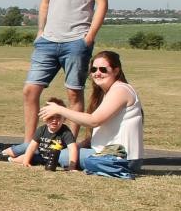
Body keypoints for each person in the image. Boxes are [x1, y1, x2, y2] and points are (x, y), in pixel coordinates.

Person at [22, 0, 110, 143]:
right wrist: (39, 32)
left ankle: (66, 146)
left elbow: (102, 3)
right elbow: (45, 2)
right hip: (47, 40)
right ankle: (29, 145)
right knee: (30, 91)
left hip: (76, 41)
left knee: (73, 93)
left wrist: (89, 37)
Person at [38, 50, 143, 179]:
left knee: (58, 155)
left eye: (103, 69)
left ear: (116, 71)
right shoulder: (108, 92)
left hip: (121, 158)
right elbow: (101, 132)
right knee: (61, 152)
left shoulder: (120, 90)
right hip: (111, 154)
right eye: (93, 69)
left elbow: (94, 121)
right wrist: (78, 146)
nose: (97, 73)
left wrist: (60, 110)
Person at [0, 97, 79, 169]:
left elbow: (72, 149)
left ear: (64, 118)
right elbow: (32, 147)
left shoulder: (65, 131)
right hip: (39, 153)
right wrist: (26, 162)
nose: (54, 120)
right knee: (26, 150)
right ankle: (2, 152)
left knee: (27, 158)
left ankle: (7, 159)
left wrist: (72, 167)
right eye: (50, 117)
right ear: (44, 117)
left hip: (49, 159)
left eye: (58, 117)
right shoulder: (41, 129)